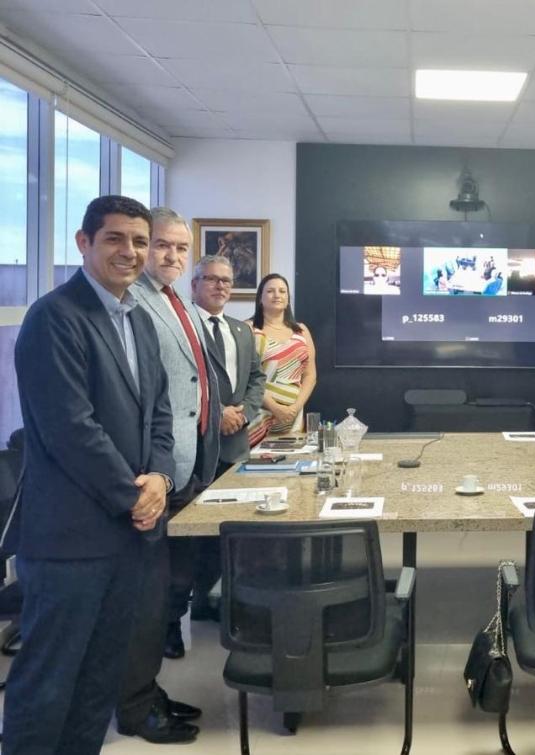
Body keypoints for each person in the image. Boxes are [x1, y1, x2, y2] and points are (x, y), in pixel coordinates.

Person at [1, 195, 174, 753]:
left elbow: (161, 418)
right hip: (70, 543)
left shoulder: (140, 322)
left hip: (128, 538)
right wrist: (135, 494)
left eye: (140, 241)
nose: (130, 252)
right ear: (84, 243)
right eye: (116, 239)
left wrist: (162, 479)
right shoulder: (54, 317)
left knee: (99, 682)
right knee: (47, 684)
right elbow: (72, 430)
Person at [121, 206, 221, 743]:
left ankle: (144, 691)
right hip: (152, 473)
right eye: (162, 245)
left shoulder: (172, 298)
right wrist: (154, 470)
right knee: (144, 595)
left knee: (167, 586)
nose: (171, 256)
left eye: (181, 249)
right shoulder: (127, 302)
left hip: (187, 465)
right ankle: (135, 704)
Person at [186, 254, 266, 622]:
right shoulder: (183, 327)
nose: (220, 287)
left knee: (233, 529)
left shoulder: (241, 330)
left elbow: (256, 380)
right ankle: (192, 607)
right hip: (197, 447)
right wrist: (216, 414)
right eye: (212, 279)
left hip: (235, 446)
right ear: (194, 284)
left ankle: (230, 603)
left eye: (227, 281)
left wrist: (244, 413)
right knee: (194, 536)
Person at [247, 273, 318, 447]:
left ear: (288, 298)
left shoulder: (301, 331)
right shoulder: (248, 329)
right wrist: (275, 408)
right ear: (260, 298)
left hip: (294, 419)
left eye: (282, 291)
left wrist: (294, 408)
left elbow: (310, 375)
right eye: (270, 291)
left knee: (291, 467)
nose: (277, 295)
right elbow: (245, 378)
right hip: (259, 417)